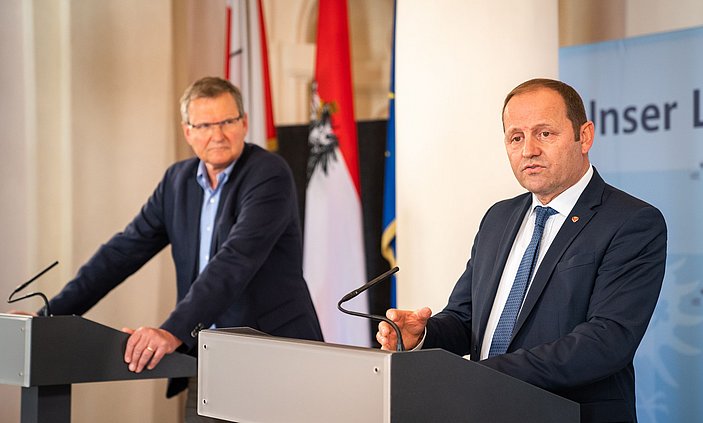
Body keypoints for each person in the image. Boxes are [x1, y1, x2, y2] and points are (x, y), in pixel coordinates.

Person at [30, 77, 323, 421]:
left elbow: (235, 260)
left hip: (274, 354)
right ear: (188, 132)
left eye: (228, 122)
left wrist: (170, 330)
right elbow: (123, 251)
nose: (218, 135)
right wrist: (49, 317)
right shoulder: (177, 182)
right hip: (207, 358)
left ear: (244, 123)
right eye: (205, 125)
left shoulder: (268, 174)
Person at [376, 78, 667, 423]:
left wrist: (484, 374)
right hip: (484, 410)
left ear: (584, 136)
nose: (529, 149)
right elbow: (465, 318)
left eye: (545, 133)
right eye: (516, 137)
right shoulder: (499, 217)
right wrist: (422, 335)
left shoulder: (631, 221)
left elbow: (606, 341)